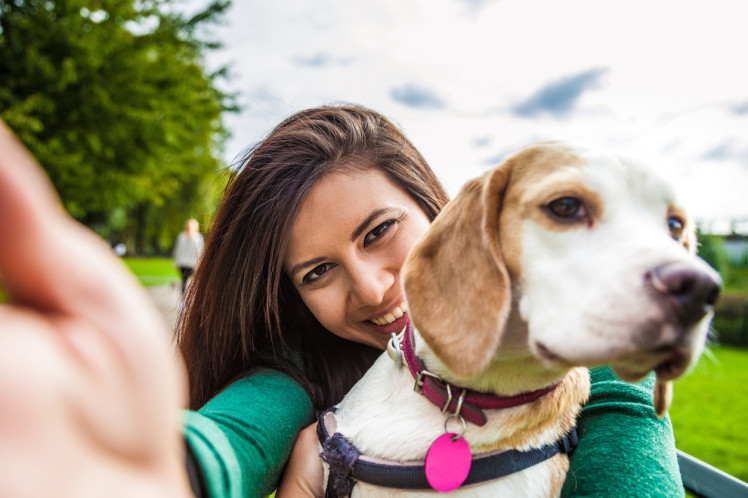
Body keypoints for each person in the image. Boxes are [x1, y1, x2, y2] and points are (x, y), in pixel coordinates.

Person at [0, 106, 684, 498]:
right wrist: (157, 466)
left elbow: (627, 425)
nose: (373, 287)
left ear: (435, 205)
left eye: (380, 232)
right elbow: (233, 436)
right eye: (319, 272)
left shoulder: (578, 352)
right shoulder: (309, 366)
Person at [173, 218, 204, 295]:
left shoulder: (181, 237)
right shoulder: (198, 238)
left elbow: (177, 251)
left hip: (183, 263)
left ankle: (183, 298)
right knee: (194, 282)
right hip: (192, 264)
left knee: (184, 281)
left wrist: (176, 262)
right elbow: (200, 252)